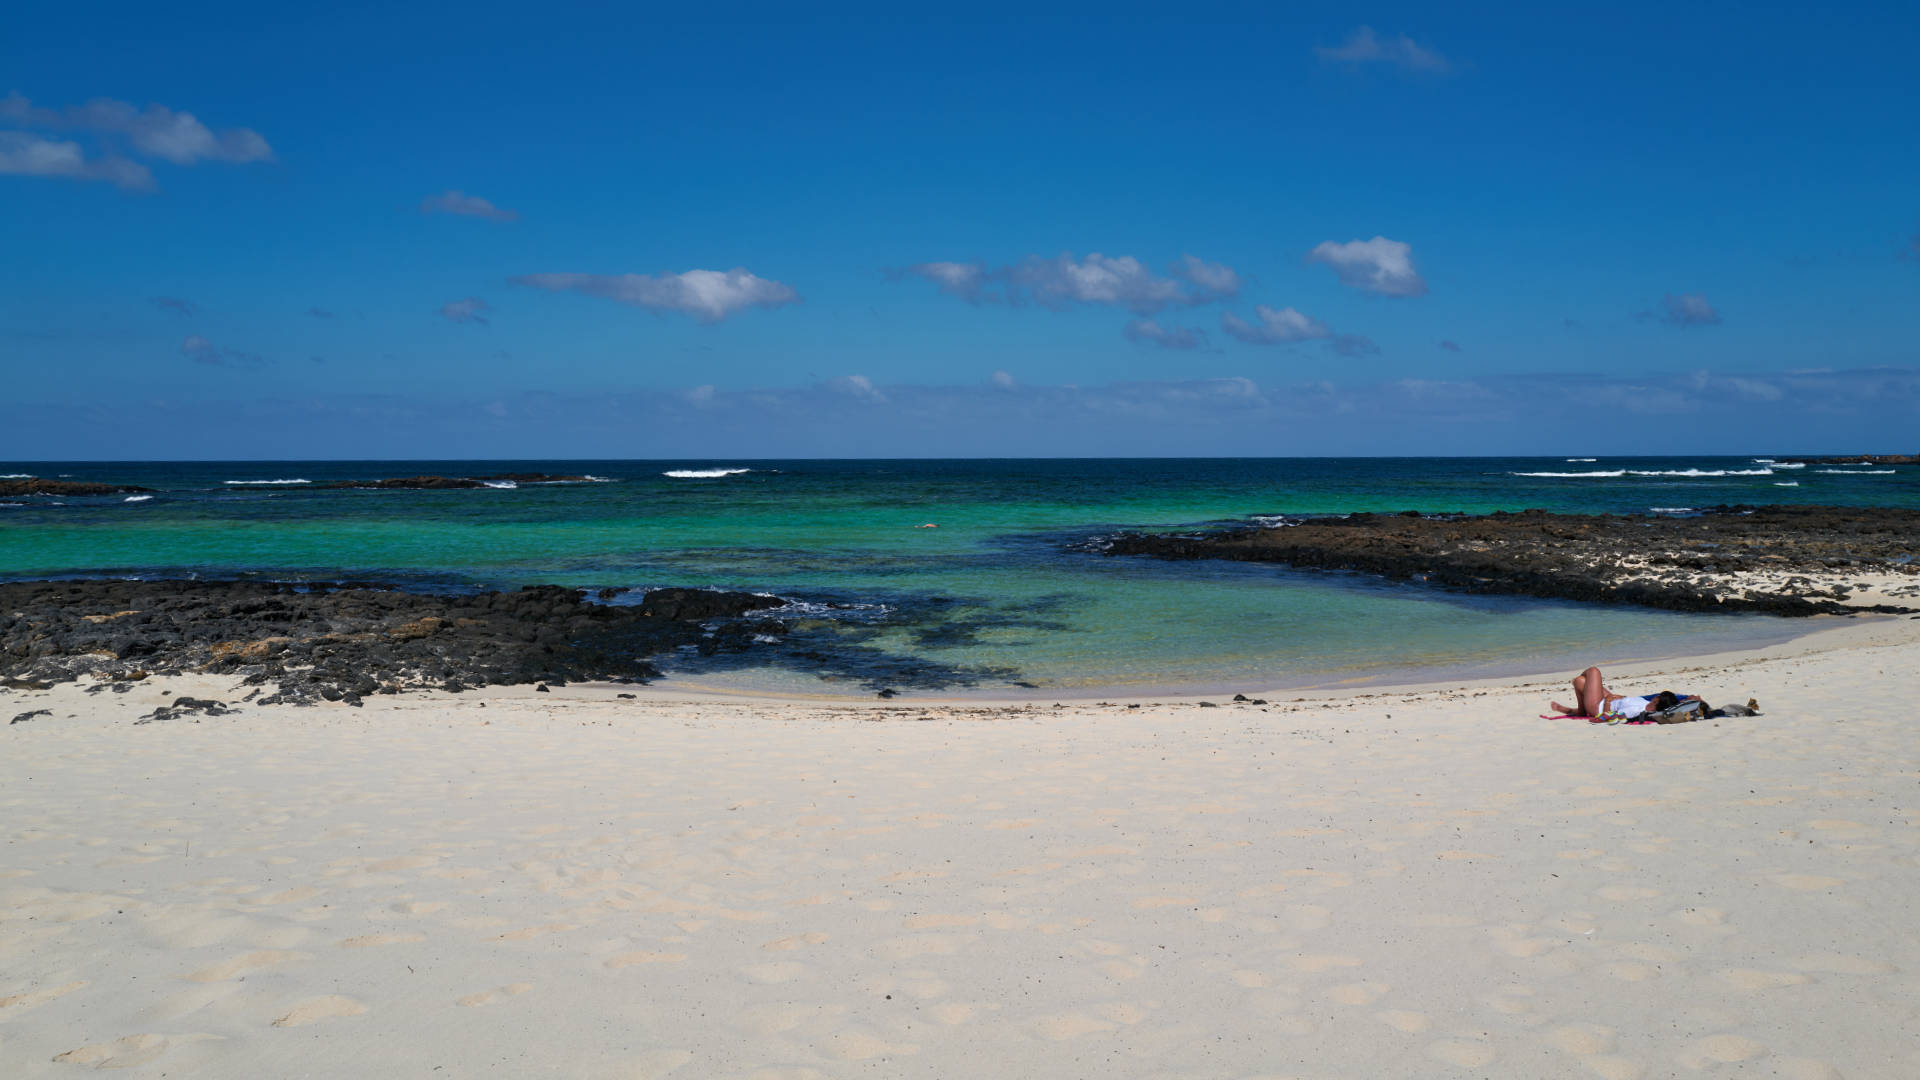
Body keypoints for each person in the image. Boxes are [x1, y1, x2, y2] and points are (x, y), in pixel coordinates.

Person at [1551, 666, 1681, 721]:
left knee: (1593, 671)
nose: (1656, 695)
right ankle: (1580, 710)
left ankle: (1581, 710)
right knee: (1580, 682)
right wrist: (1621, 697)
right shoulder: (1647, 703)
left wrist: (1608, 700)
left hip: (1599, 707)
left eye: (1659, 696)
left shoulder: (1635, 710)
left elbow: (1608, 717)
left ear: (1657, 701)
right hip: (1609, 700)